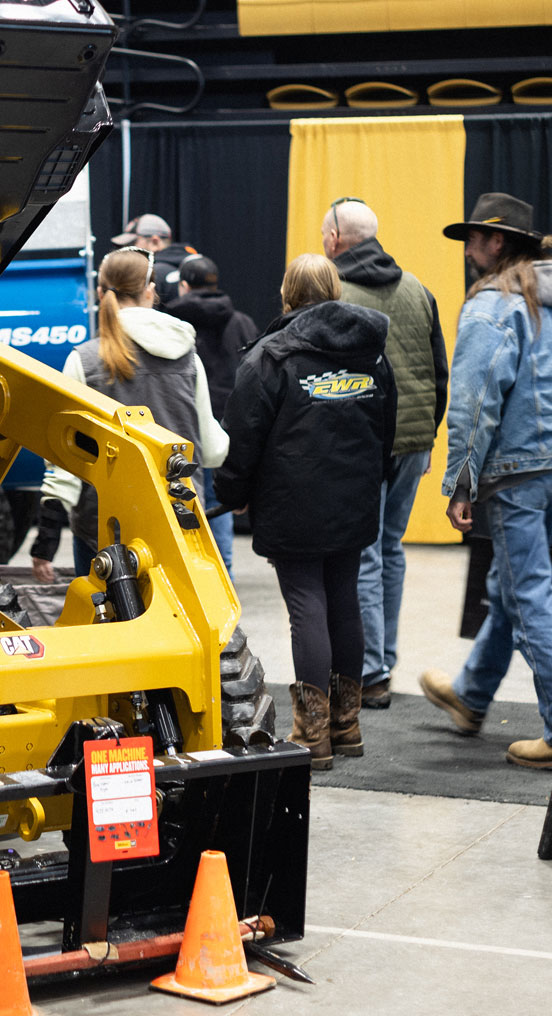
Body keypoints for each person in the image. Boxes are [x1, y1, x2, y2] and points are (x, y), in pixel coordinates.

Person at [420, 193, 552, 771]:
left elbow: (475, 401)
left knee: (527, 595)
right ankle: (472, 696)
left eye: (474, 237)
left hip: (516, 471)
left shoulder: (493, 305)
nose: (468, 247)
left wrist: (461, 483)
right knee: (512, 584)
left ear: (497, 243)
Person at [215, 254, 395, 770]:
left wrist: (234, 490)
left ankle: (312, 735)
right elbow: (386, 429)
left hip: (293, 502)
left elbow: (241, 437)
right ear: (336, 288)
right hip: (353, 499)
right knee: (344, 600)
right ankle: (347, 725)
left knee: (307, 606)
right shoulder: (372, 353)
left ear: (286, 294)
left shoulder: (273, 356)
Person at [29, 247, 228, 582]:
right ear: (150, 290)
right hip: (175, 523)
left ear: (99, 293)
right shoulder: (189, 359)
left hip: (103, 531)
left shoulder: (83, 361)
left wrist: (46, 539)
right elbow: (212, 450)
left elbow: (63, 462)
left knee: (106, 629)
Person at [321, 197, 448, 708]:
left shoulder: (333, 292)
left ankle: (371, 672)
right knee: (390, 549)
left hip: (361, 444)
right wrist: (427, 435)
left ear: (334, 238)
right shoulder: (418, 287)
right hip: (413, 442)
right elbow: (438, 371)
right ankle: (383, 660)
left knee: (365, 555)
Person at [164, 254, 258, 574]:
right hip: (228, 430)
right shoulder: (242, 323)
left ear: (184, 286)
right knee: (220, 513)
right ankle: (225, 582)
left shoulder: (170, 324)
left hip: (181, 430)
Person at [111, 213, 200, 305]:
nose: (127, 249)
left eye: (132, 243)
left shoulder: (150, 273)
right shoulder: (200, 265)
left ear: (155, 242)